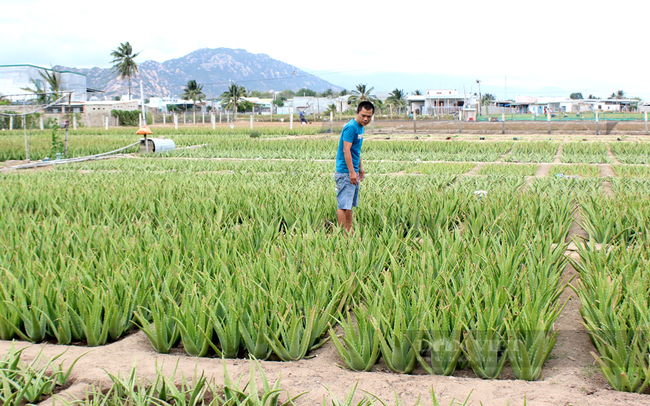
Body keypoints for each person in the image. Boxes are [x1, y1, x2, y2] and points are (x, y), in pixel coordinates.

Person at [334, 100, 374, 234]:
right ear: (357, 112)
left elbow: (356, 151)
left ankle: (349, 232)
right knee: (343, 205)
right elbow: (346, 150)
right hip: (345, 171)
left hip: (353, 170)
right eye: (363, 115)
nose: (366, 119)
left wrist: (360, 169)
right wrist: (351, 172)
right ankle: (341, 235)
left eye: (369, 116)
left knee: (349, 204)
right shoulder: (351, 127)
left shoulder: (360, 127)